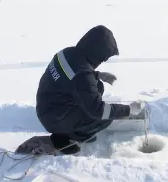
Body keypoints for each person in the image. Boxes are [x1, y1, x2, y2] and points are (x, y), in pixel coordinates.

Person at [35, 25, 145, 154]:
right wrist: (128, 110)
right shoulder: (83, 75)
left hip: (47, 105)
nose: (102, 61)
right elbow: (99, 110)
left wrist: (96, 75)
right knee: (104, 118)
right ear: (97, 53)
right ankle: (69, 137)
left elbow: (72, 76)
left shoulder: (67, 52)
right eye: (103, 58)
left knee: (98, 86)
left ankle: (69, 124)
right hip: (54, 118)